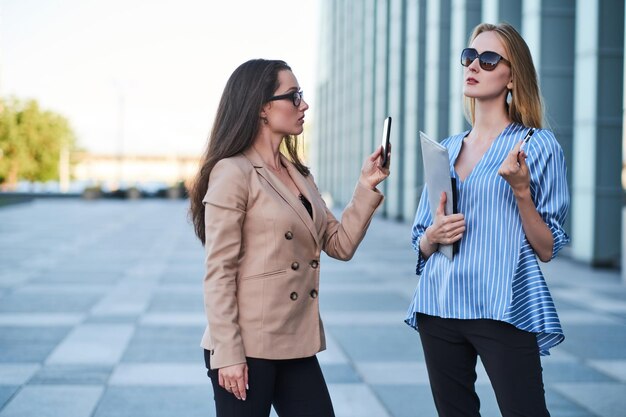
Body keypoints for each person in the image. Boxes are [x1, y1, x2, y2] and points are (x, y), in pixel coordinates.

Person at [189, 58, 390, 417]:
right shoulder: (233, 172)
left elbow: (338, 244)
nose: (304, 105)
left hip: (295, 343)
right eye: (294, 96)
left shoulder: (298, 173)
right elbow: (219, 272)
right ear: (263, 107)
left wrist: (365, 186)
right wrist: (229, 353)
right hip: (246, 347)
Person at [405, 23, 569, 417]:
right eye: (469, 56)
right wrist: (433, 235)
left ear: (512, 77)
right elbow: (420, 240)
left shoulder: (536, 145)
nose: (474, 65)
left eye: (489, 58)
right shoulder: (445, 147)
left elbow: (547, 248)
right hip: (439, 304)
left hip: (502, 306)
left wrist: (521, 191)